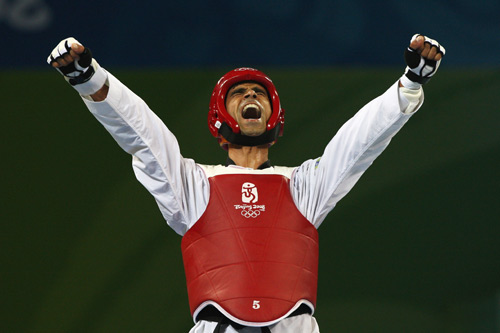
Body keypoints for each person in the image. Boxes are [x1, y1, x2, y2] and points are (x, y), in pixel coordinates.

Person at [47, 34, 445, 333]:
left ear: (275, 117)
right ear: (220, 117)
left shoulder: (303, 187)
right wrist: (89, 78)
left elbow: (358, 142)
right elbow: (143, 135)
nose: (251, 95)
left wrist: (410, 83)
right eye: (239, 93)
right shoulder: (194, 184)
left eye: (259, 92)